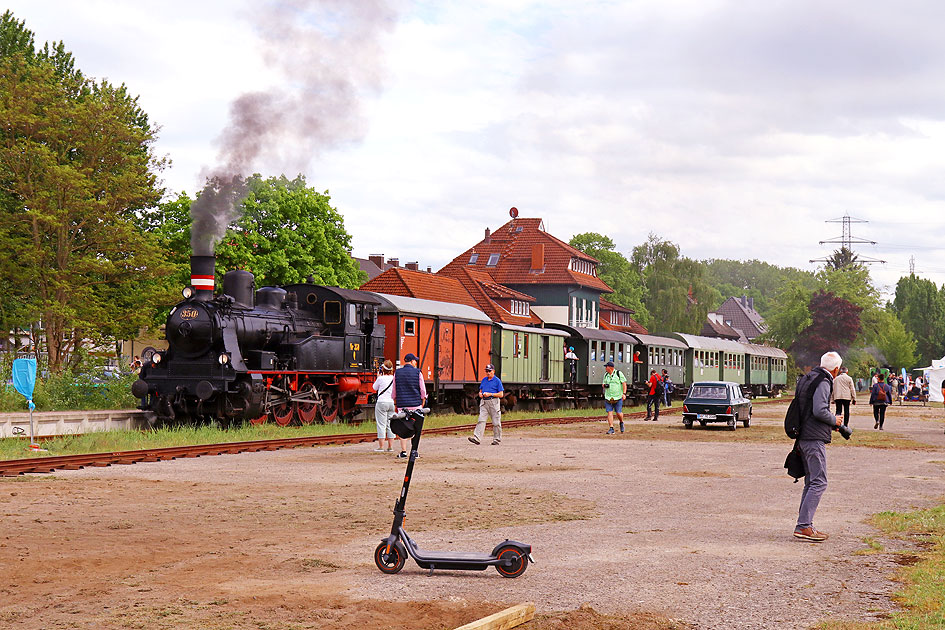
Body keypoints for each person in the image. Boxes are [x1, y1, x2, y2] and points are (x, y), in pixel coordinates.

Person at [794, 351, 844, 543]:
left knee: (811, 481)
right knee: (819, 481)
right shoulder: (824, 381)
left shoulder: (808, 378)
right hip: (814, 438)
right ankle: (804, 526)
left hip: (803, 436)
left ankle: (804, 524)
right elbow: (819, 410)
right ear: (836, 369)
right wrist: (835, 420)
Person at [392, 353, 426, 458]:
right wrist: (423, 401)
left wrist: (395, 403)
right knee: (417, 429)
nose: (416, 362)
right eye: (415, 360)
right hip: (416, 405)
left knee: (403, 428)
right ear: (411, 361)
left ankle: (403, 452)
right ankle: (414, 452)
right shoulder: (418, 373)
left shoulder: (397, 373)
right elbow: (422, 390)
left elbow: (394, 391)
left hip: (402, 405)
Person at [469, 364, 503, 445]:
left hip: (494, 402)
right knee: (481, 420)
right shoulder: (484, 380)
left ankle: (497, 439)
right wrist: (480, 394)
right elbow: (480, 390)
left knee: (496, 422)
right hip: (484, 402)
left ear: (493, 371)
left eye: (489, 371)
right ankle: (477, 438)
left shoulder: (497, 381)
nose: (488, 373)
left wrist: (490, 394)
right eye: (486, 371)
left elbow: (501, 394)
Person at [372, 360, 396, 452]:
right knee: (390, 424)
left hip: (381, 402)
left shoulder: (381, 378)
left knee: (381, 424)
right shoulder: (394, 379)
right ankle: (390, 447)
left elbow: (374, 388)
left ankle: (381, 447)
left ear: (383, 369)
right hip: (391, 402)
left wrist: (378, 377)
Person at [601, 360, 627, 434]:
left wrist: (624, 393)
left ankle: (621, 422)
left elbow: (624, 383)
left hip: (618, 397)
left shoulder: (619, 373)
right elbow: (603, 384)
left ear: (610, 367)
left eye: (606, 367)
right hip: (608, 397)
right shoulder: (606, 375)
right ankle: (611, 428)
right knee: (610, 412)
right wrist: (604, 385)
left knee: (618, 413)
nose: (605, 368)